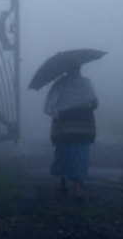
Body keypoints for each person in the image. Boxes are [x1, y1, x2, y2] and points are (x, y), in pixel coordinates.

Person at [44, 64, 98, 201]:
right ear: (79, 69)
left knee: (62, 151)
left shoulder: (60, 83)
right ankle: (79, 188)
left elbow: (53, 102)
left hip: (64, 125)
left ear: (66, 70)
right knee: (81, 154)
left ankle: (61, 181)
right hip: (83, 125)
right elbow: (94, 103)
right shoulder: (85, 83)